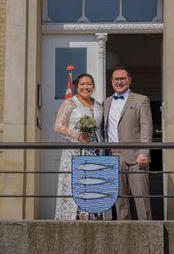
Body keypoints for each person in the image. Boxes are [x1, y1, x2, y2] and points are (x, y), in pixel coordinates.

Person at [104, 66, 153, 220]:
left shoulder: (141, 100)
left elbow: (146, 126)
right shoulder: (106, 102)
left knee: (141, 199)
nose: (119, 82)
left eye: (123, 78)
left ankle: (148, 233)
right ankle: (124, 235)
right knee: (120, 202)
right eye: (116, 79)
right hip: (113, 157)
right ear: (111, 82)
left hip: (137, 158)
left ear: (129, 80)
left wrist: (144, 152)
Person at [54, 73, 103, 220]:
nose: (85, 87)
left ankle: (93, 216)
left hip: (95, 153)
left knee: (93, 185)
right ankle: (73, 217)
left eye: (89, 84)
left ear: (93, 87)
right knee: (76, 183)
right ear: (77, 86)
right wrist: (77, 135)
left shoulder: (99, 106)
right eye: (82, 84)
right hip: (74, 152)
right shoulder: (70, 103)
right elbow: (58, 126)